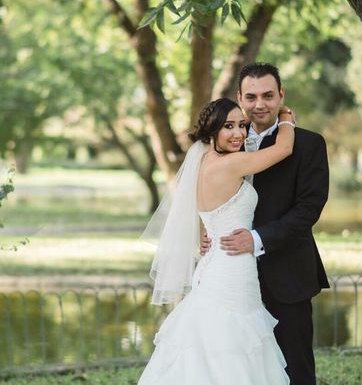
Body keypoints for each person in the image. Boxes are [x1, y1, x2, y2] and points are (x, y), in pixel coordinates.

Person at [138, 97, 296, 385]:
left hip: (214, 269)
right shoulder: (231, 165)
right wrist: (284, 116)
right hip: (231, 273)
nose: (238, 133)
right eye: (228, 127)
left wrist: (203, 231)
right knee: (230, 347)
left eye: (242, 126)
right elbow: (284, 148)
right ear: (212, 132)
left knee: (212, 345)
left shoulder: (203, 164)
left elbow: (204, 211)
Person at [202, 63, 330, 384]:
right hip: (232, 279)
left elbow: (308, 210)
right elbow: (208, 195)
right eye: (252, 96)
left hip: (288, 275)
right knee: (236, 368)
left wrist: (257, 239)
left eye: (269, 96)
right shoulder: (225, 144)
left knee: (295, 369)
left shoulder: (309, 144)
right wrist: (208, 232)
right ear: (239, 98)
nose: (260, 104)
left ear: (281, 95)